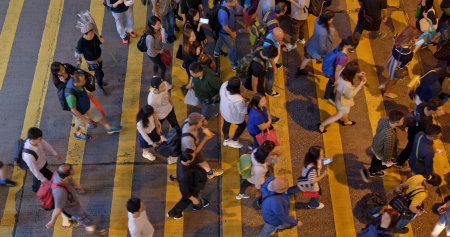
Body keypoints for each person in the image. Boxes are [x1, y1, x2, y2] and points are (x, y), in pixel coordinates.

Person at [46, 164, 106, 235]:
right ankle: (91, 228)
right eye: (70, 175)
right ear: (65, 176)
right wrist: (52, 221)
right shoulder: (59, 192)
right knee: (83, 217)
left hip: (73, 203)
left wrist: (77, 186)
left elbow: (70, 180)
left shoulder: (59, 174)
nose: (72, 176)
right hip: (72, 208)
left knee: (82, 215)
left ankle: (72, 222)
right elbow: (58, 208)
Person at [65, 72, 122, 140]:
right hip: (80, 112)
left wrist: (87, 94)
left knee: (98, 115)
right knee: (81, 125)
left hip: (87, 104)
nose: (85, 81)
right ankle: (78, 134)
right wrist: (85, 119)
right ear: (77, 83)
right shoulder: (70, 96)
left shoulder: (76, 81)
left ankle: (109, 128)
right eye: (83, 80)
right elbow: (73, 110)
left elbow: (81, 89)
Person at [169, 112, 223, 182]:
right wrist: (205, 139)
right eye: (200, 123)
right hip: (189, 152)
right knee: (201, 162)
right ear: (195, 125)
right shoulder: (189, 139)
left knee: (182, 166)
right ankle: (210, 173)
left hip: (185, 149)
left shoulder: (189, 120)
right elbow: (195, 151)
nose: (201, 124)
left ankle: (172, 178)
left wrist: (203, 122)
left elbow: (197, 120)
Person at [318, 61, 367, 133]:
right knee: (338, 115)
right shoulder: (348, 85)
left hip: (338, 94)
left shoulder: (342, 70)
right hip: (344, 100)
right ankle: (322, 125)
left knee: (345, 111)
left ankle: (346, 121)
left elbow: (347, 72)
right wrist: (360, 85)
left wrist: (358, 74)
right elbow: (351, 95)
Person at [395, 98, 444, 167]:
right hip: (416, 135)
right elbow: (428, 135)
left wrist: (408, 126)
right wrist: (432, 146)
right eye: (440, 109)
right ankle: (399, 162)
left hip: (412, 129)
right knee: (409, 148)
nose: (442, 111)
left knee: (410, 147)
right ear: (433, 110)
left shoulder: (423, 105)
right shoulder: (426, 122)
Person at [360, 110, 405, 182]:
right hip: (381, 151)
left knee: (375, 159)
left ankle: (373, 171)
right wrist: (387, 161)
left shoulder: (383, 119)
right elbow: (388, 150)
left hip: (376, 144)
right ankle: (371, 171)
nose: (403, 121)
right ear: (396, 123)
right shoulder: (390, 135)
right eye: (402, 120)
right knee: (384, 165)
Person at [167, 149, 209, 219]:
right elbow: (184, 191)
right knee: (186, 201)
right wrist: (192, 199)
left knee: (196, 195)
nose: (195, 156)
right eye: (193, 156)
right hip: (190, 188)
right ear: (189, 160)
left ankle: (200, 203)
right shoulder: (184, 176)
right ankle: (173, 213)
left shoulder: (181, 158)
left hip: (193, 184)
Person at [381, 26, 421, 99]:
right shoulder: (405, 52)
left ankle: (385, 84)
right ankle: (387, 92)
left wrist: (415, 41)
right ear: (410, 38)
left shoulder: (398, 37)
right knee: (394, 81)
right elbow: (409, 58)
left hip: (391, 60)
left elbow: (409, 42)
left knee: (391, 76)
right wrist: (416, 48)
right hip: (397, 67)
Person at [296, 11, 336, 76]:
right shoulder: (324, 32)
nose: (333, 19)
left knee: (306, 59)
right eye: (332, 18)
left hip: (311, 45)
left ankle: (300, 69)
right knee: (327, 61)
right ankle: (326, 72)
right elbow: (322, 47)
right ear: (328, 20)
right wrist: (324, 55)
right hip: (316, 50)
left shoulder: (318, 20)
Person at [23, 127, 62, 192]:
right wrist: (43, 180)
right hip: (39, 168)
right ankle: (35, 188)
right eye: (40, 139)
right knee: (40, 175)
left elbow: (45, 145)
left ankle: (36, 186)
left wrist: (54, 153)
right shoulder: (28, 156)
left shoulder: (37, 141)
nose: (41, 140)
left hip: (42, 163)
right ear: (32, 140)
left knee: (41, 175)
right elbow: (34, 170)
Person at [75, 23, 107, 95]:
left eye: (93, 32)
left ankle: (97, 77)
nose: (93, 34)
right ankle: (100, 85)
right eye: (91, 33)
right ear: (85, 34)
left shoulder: (94, 36)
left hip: (99, 56)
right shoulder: (81, 43)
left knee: (100, 69)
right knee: (100, 74)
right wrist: (79, 60)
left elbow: (98, 43)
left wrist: (101, 41)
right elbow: (79, 52)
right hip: (91, 60)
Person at [323, 36, 353, 104]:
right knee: (331, 84)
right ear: (348, 45)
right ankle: (327, 96)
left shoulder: (340, 44)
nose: (353, 47)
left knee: (331, 83)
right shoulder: (342, 57)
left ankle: (327, 96)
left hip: (330, 66)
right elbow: (337, 70)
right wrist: (336, 81)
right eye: (352, 45)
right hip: (332, 72)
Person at [220, 77, 247, 149]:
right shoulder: (238, 99)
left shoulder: (224, 85)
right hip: (234, 117)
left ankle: (226, 139)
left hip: (225, 111)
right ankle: (234, 140)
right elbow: (242, 110)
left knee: (226, 124)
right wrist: (250, 109)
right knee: (242, 125)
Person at [214, 0, 239, 71]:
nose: (236, 2)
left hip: (222, 33)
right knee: (232, 48)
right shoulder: (223, 12)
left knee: (220, 39)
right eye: (234, 1)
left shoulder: (228, 5)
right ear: (228, 2)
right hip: (226, 33)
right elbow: (225, 27)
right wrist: (232, 34)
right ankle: (234, 65)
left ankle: (216, 52)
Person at [263, 27, 286, 97]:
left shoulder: (273, 35)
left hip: (274, 60)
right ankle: (268, 91)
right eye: (279, 39)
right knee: (270, 78)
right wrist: (275, 68)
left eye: (282, 38)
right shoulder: (267, 44)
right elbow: (270, 59)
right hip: (270, 64)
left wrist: (282, 43)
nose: (281, 40)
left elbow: (278, 42)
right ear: (273, 36)